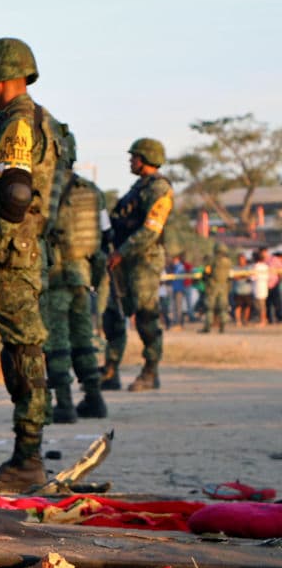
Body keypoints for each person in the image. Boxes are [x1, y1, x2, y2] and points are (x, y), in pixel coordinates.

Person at [0, 37, 60, 491]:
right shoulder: (39, 122)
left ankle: (28, 459)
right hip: (20, 251)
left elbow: (17, 196)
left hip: (7, 256)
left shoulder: (18, 125)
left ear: (5, 78)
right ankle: (28, 454)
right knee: (21, 350)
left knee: (23, 353)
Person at [101, 138, 174, 392]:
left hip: (144, 261)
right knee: (113, 315)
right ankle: (110, 370)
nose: (131, 161)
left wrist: (122, 252)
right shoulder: (138, 187)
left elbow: (151, 230)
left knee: (145, 316)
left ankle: (150, 371)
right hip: (123, 261)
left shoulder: (159, 189)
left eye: (135, 157)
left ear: (146, 159)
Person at [44, 137, 108, 422]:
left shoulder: (46, 189)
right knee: (83, 337)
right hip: (82, 274)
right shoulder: (92, 191)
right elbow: (105, 234)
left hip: (55, 273)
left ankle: (65, 403)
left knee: (56, 340)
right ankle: (94, 397)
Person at [200, 242, 232, 333]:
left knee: (209, 307)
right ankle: (222, 326)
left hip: (212, 286)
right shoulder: (228, 262)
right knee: (223, 307)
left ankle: (208, 326)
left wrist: (204, 278)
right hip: (224, 286)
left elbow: (206, 272)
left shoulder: (212, 260)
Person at [232, 254, 253, 326]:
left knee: (247, 306)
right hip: (238, 290)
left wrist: (241, 276)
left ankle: (245, 320)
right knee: (238, 306)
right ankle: (238, 321)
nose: (241, 261)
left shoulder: (248, 267)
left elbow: (250, 276)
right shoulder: (235, 268)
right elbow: (234, 277)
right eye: (240, 259)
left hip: (247, 290)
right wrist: (244, 276)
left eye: (243, 259)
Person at [253, 247, 270, 327]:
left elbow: (253, 277)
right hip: (263, 288)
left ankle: (263, 320)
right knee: (262, 306)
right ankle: (263, 319)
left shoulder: (256, 266)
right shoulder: (265, 266)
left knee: (261, 307)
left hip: (258, 288)